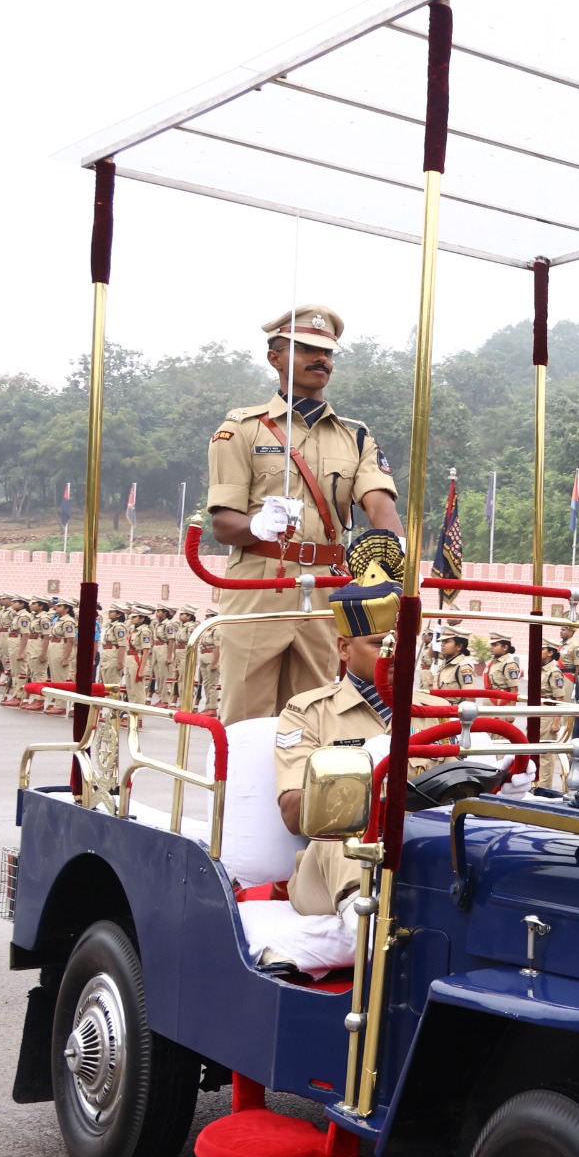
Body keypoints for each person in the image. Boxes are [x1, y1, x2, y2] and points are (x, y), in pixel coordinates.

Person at [206, 303, 405, 722]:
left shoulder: (355, 436)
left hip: (324, 590)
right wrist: (257, 524)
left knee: (311, 715)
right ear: (274, 357)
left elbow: (379, 503)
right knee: (245, 715)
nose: (321, 360)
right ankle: (237, 790)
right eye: (306, 349)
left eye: (328, 353)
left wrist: (393, 558)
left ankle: (298, 790)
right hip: (260, 583)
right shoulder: (242, 429)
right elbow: (224, 523)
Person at [261, 571, 430, 973]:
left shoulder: (434, 709)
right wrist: (358, 772)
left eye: (406, 645)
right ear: (343, 648)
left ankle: (344, 942)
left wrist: (499, 784)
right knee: (352, 828)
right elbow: (294, 814)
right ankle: (364, 928)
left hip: (419, 859)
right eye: (380, 644)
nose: (395, 656)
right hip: (331, 869)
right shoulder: (308, 712)